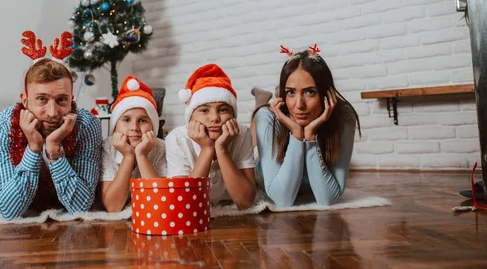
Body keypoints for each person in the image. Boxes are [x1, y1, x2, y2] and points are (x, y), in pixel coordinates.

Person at [0, 31, 102, 220]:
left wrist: (54, 148)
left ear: (72, 100)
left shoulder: (86, 125)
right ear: (25, 100)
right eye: (41, 99)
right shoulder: (2, 126)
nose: (52, 112)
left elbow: (80, 206)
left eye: (61, 100)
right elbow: (9, 211)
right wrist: (33, 148)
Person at [252, 45, 360, 207]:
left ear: (326, 93)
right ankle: (262, 100)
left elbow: (327, 199)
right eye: (290, 93)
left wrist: (309, 137)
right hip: (261, 159)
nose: (300, 105)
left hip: (306, 125)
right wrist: (296, 133)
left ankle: (281, 92)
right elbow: (282, 199)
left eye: (310, 92)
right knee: (259, 116)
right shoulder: (268, 117)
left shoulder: (344, 116)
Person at [165, 64, 256, 210]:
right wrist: (206, 149)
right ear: (190, 117)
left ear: (233, 115)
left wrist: (222, 150)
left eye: (223, 109)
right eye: (204, 110)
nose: (214, 118)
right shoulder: (176, 139)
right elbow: (184, 205)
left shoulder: (242, 134)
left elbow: (245, 202)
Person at [99, 76, 166, 212]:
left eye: (142, 121)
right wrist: (128, 156)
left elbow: (159, 202)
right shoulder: (107, 147)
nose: (134, 127)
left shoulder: (161, 147)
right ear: (115, 127)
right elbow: (113, 207)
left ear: (153, 127)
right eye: (126, 120)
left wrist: (141, 155)